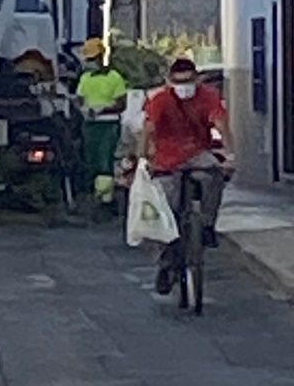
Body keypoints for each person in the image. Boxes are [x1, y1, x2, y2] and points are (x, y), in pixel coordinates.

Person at [141, 58, 236, 294]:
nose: (184, 86)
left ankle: (206, 225)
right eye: (178, 82)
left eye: (188, 81)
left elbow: (221, 124)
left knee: (214, 176)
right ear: (169, 82)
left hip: (197, 153)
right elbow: (148, 130)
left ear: (197, 80)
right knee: (166, 210)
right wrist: (144, 159)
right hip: (166, 158)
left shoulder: (208, 96)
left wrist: (230, 155)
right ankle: (165, 266)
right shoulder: (160, 100)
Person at [76, 38, 128, 210]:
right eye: (88, 60)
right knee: (91, 160)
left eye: (92, 59)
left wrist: (102, 109)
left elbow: (122, 104)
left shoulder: (114, 78)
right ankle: (95, 196)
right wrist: (83, 109)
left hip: (108, 124)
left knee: (105, 160)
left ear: (101, 57)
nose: (90, 63)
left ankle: (106, 200)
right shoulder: (85, 78)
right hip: (90, 124)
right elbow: (79, 99)